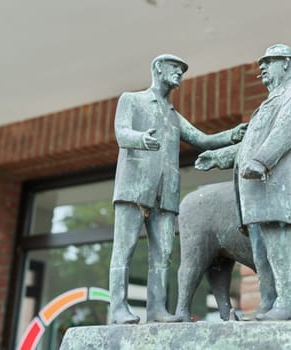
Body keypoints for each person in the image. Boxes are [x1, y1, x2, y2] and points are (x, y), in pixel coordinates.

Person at [109, 53, 246, 324]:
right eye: (175, 68)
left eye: (182, 71)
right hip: (133, 191)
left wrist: (232, 135)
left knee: (164, 254)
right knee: (124, 249)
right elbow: (121, 133)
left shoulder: (173, 115)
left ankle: (157, 309)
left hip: (165, 194)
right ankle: (118, 308)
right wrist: (140, 139)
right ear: (158, 68)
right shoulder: (131, 100)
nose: (179, 74)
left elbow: (202, 139)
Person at [196, 44, 291, 320]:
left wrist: (261, 162)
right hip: (257, 194)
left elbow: (285, 133)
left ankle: (288, 305)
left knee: (279, 248)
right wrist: (219, 156)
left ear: (287, 63)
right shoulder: (271, 101)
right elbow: (250, 145)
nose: (262, 69)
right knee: (262, 257)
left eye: (268, 62)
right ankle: (268, 303)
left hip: (280, 191)